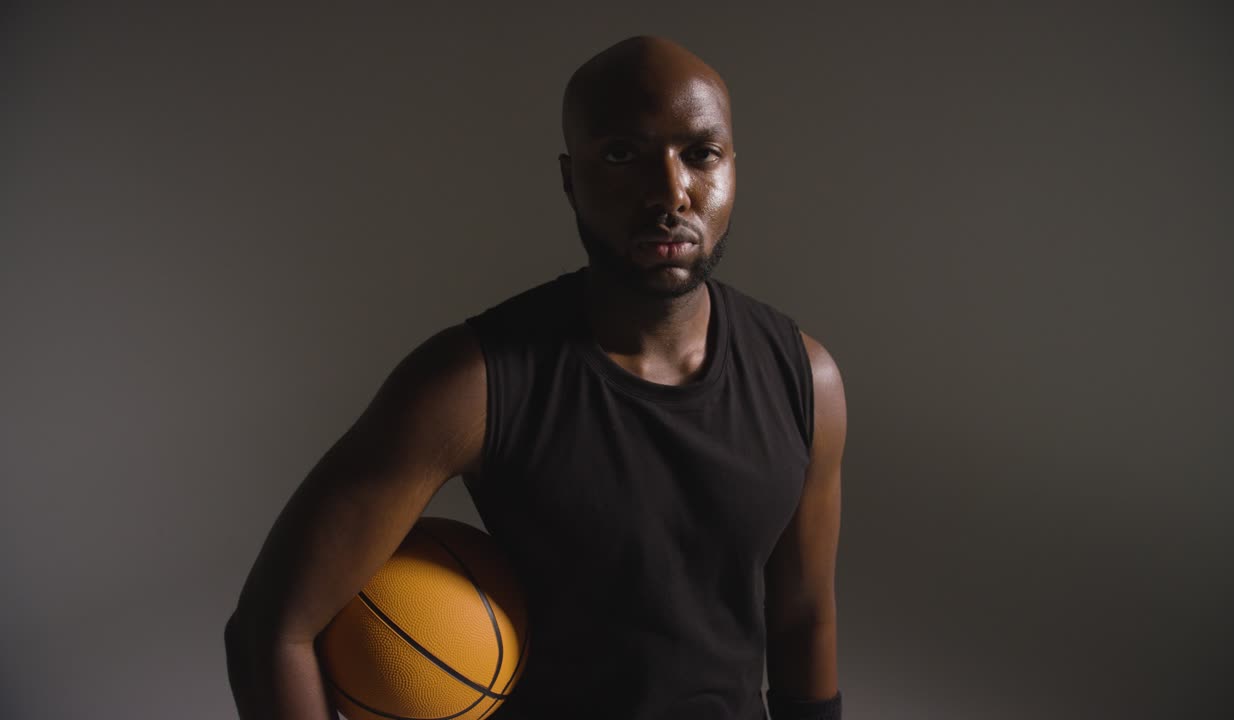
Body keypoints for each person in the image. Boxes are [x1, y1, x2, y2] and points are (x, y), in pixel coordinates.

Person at [225, 35, 846, 720]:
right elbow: (272, 630)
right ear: (569, 178)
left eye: (701, 153)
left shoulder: (805, 378)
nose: (671, 191)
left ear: (733, 167)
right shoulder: (472, 383)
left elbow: (803, 620)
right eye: (622, 154)